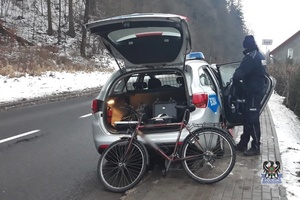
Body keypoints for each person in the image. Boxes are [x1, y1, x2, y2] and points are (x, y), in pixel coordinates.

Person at [233, 35, 269, 156]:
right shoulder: (259, 56)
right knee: (247, 118)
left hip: (253, 93)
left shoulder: (251, 58)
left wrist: (237, 85)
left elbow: (238, 75)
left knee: (252, 119)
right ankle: (243, 143)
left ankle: (256, 146)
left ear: (246, 45)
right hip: (257, 91)